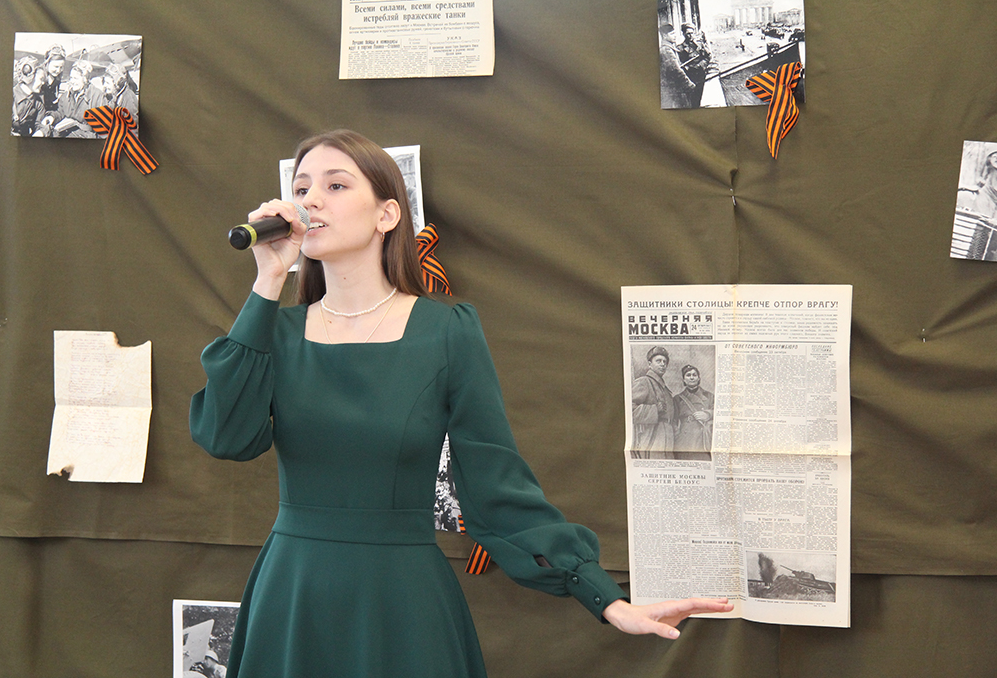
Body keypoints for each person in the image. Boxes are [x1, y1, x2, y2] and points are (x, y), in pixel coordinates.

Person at [190, 129, 732, 678]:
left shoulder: (446, 331)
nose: (311, 201)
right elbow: (225, 435)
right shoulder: (275, 333)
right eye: (302, 188)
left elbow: (496, 484)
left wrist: (607, 599)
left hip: (403, 601)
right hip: (292, 598)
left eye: (335, 185)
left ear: (387, 215)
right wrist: (268, 280)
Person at [631, 346, 677, 458]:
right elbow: (629, 410)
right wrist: (655, 410)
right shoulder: (644, 382)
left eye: (664, 362)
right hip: (652, 437)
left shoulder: (665, 389)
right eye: (658, 361)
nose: (662, 364)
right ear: (650, 364)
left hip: (668, 437)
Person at [673, 364, 714, 458]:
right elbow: (673, 421)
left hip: (704, 439)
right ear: (684, 379)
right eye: (688, 375)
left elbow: (720, 413)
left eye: (694, 375)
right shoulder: (677, 399)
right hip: (684, 441)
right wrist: (677, 435)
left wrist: (708, 414)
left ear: (698, 378)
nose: (692, 377)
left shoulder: (709, 396)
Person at [658, 24, 694, 109]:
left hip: (675, 90)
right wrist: (689, 84)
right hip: (673, 92)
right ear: (664, 36)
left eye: (674, 33)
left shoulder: (669, 48)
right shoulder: (666, 50)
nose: (675, 36)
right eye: (672, 34)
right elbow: (676, 70)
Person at [677, 23, 712, 108]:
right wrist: (688, 68)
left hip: (700, 73)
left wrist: (700, 65)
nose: (690, 36)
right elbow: (679, 64)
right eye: (688, 33)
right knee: (691, 97)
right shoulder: (680, 48)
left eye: (692, 33)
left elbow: (708, 57)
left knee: (699, 95)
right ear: (683, 34)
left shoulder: (699, 44)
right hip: (689, 76)